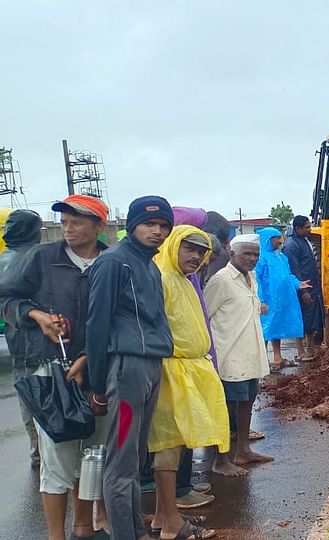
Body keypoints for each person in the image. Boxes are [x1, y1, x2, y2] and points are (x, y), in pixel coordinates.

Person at [0, 196, 110, 540]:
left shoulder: (112, 263)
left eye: (77, 220)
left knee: (92, 454)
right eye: (64, 221)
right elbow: (7, 298)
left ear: (99, 226)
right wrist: (39, 317)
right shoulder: (42, 257)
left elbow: (123, 317)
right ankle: (55, 536)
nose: (68, 227)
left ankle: (83, 527)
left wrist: (91, 357)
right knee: (57, 457)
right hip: (52, 373)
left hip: (99, 371)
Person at [86, 196, 176, 540]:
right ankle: (125, 534)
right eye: (149, 224)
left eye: (163, 226)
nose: (157, 231)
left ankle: (135, 529)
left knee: (136, 455)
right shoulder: (113, 263)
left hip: (149, 366)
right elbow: (97, 324)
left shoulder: (150, 265)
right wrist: (97, 384)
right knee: (122, 459)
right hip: (127, 371)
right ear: (133, 224)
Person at [147, 226, 227, 540]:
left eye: (200, 250)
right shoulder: (163, 279)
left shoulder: (182, 279)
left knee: (176, 445)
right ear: (173, 247)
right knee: (167, 446)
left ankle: (159, 517)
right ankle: (171, 524)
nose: (195, 256)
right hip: (170, 372)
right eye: (188, 248)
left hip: (189, 371)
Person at [205, 234, 274, 474]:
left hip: (250, 353)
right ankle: (220, 459)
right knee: (226, 407)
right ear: (232, 253)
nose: (252, 259)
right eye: (247, 253)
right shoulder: (221, 280)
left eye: (255, 254)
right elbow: (207, 316)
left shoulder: (250, 278)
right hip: (228, 355)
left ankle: (243, 451)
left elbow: (245, 308)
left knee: (247, 402)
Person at [0, 208, 43, 468]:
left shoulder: (4, 258)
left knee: (25, 394)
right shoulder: (36, 258)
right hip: (40, 335)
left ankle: (36, 450)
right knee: (49, 392)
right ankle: (50, 449)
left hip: (16, 338)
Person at [255, 227, 310, 370]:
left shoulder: (281, 257)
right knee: (266, 329)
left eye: (280, 237)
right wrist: (260, 300)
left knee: (277, 328)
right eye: (277, 238)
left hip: (285, 298)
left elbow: (288, 275)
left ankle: (277, 357)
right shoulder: (260, 258)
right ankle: (262, 360)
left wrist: (298, 284)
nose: (280, 241)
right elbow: (257, 280)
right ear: (268, 239)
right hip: (269, 299)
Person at [283, 215, 322, 360]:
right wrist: (303, 290)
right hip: (302, 289)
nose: (309, 229)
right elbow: (294, 270)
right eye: (307, 227)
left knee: (311, 318)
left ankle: (309, 348)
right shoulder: (291, 245)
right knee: (300, 319)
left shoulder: (304, 241)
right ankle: (300, 351)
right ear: (298, 228)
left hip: (311, 286)